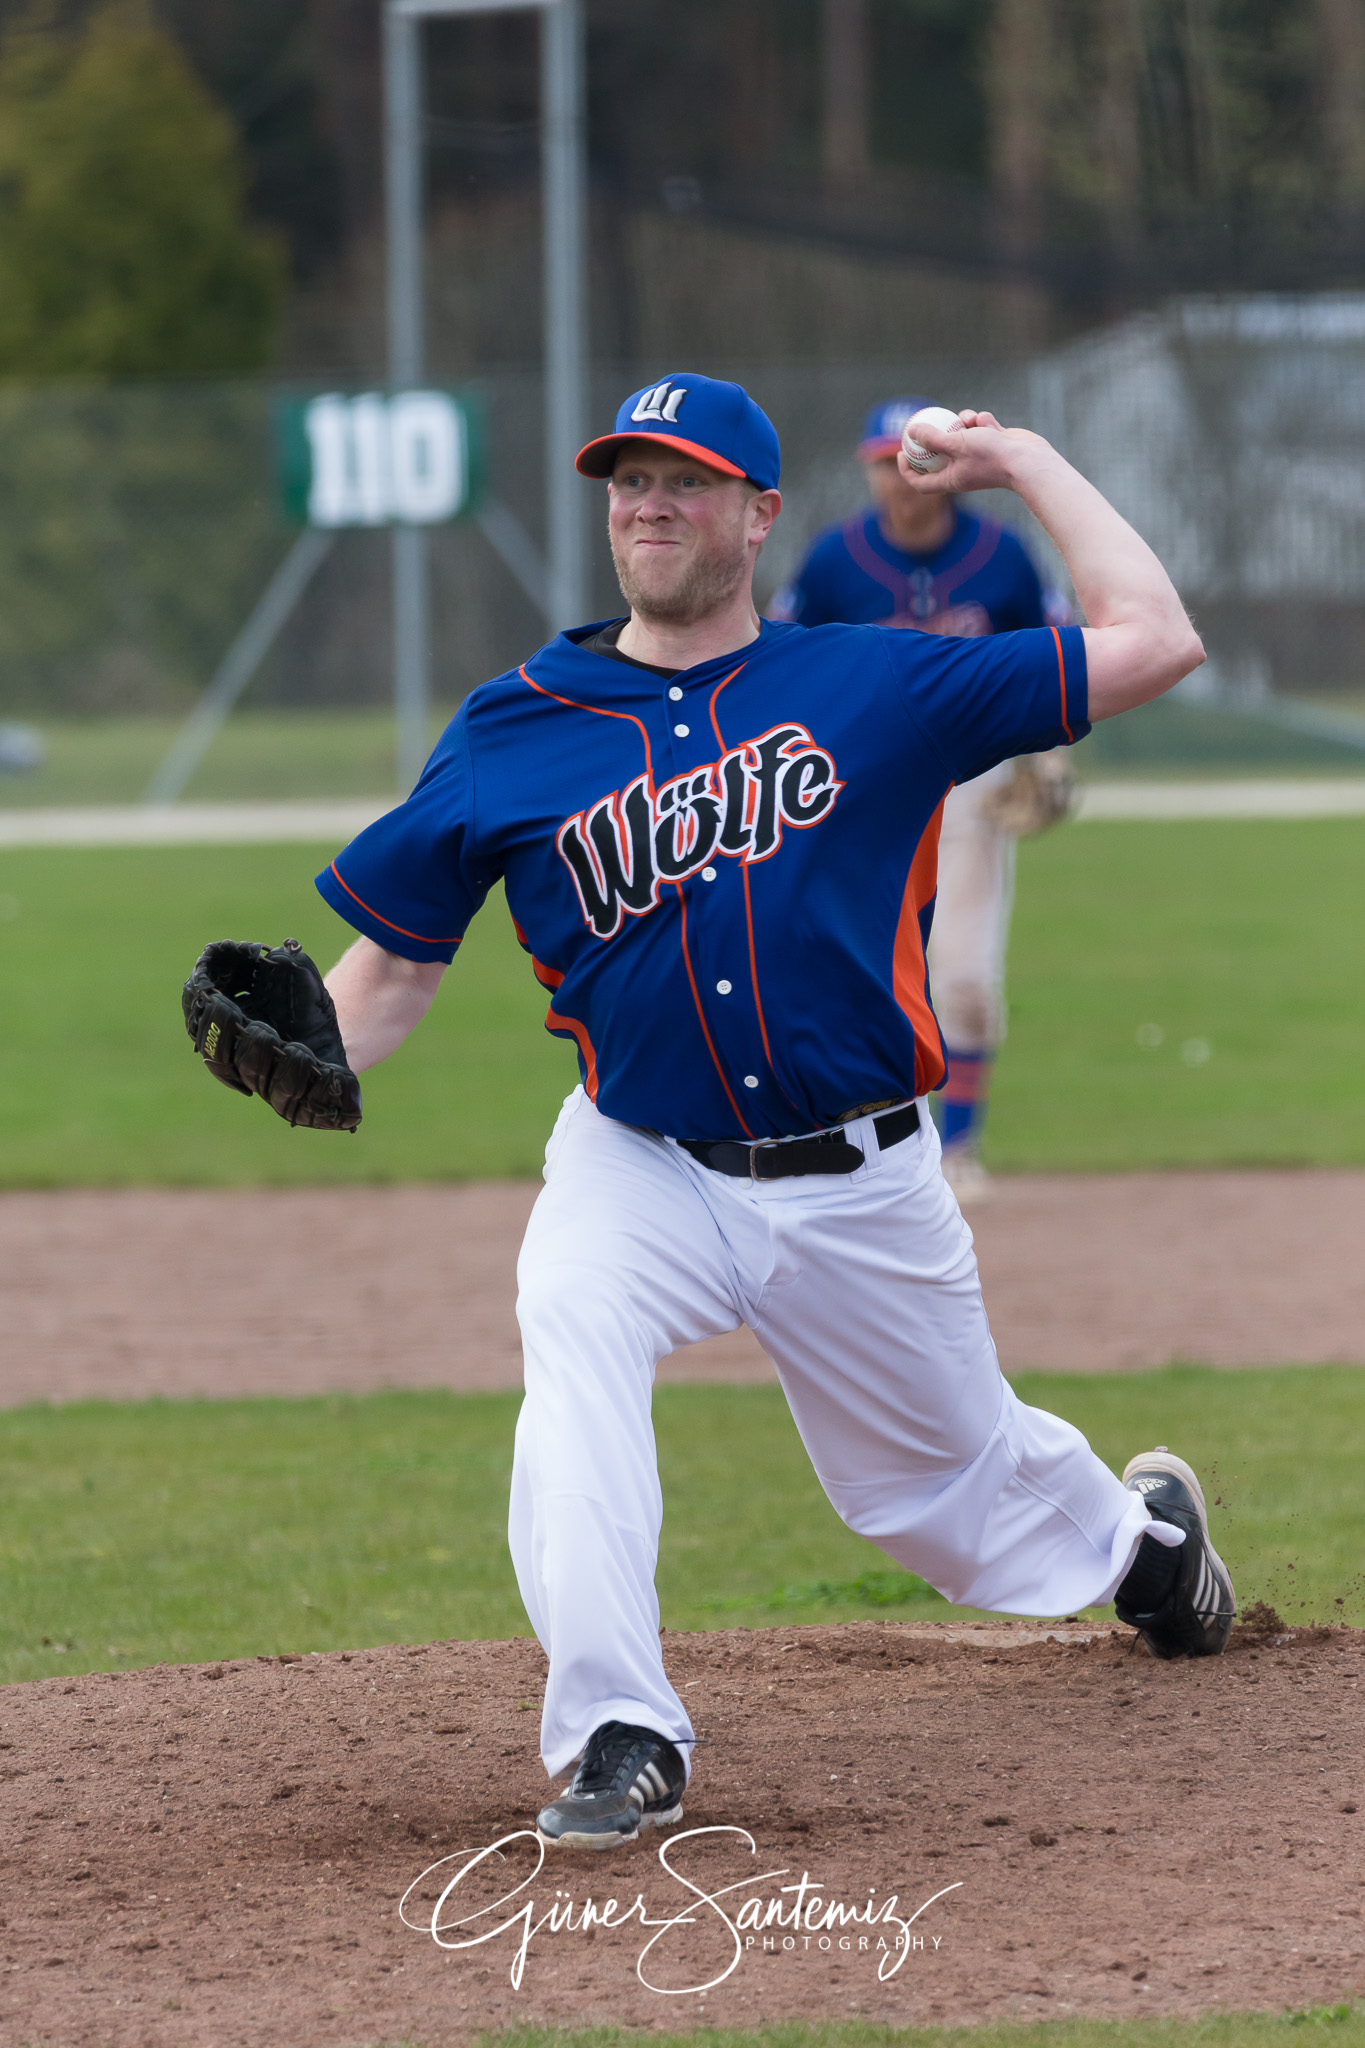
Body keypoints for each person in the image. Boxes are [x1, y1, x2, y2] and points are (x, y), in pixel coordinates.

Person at [308, 373, 1234, 1851]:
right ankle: (621, 1730)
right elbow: (388, 973)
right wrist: (314, 1053)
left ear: (757, 513)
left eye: (683, 480)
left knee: (938, 1497)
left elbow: (1156, 641)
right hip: (639, 1162)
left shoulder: (876, 682)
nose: (649, 504)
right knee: (574, 1344)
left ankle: (1140, 1550)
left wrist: (1023, 460)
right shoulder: (516, 726)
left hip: (860, 1176)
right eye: (625, 481)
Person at [771, 397, 1075, 1199]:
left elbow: (1052, 657)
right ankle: (864, 1149)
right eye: (886, 463)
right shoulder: (832, 561)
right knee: (853, 975)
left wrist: (1042, 759)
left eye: (918, 461)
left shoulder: (1002, 558)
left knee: (966, 978)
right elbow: (778, 672)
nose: (902, 480)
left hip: (969, 785)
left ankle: (959, 1149)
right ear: (868, 470)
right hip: (855, 789)